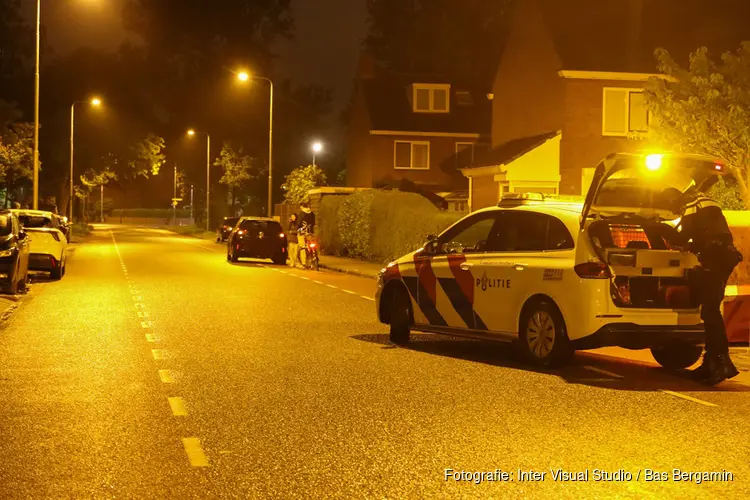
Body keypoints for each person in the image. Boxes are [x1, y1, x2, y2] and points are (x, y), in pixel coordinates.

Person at [678, 188, 742, 385]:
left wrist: (673, 238)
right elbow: (702, 236)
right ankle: (710, 363)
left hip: (715, 257)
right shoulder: (707, 202)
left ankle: (722, 362)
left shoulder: (690, 205)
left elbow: (684, 236)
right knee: (710, 310)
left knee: (711, 312)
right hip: (724, 256)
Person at [297, 202, 316, 267]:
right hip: (310, 232)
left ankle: (303, 262)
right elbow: (313, 223)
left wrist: (299, 229)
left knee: (302, 246)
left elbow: (299, 223)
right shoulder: (312, 213)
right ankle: (313, 258)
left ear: (302, 206)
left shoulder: (302, 213)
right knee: (311, 245)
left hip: (302, 232)